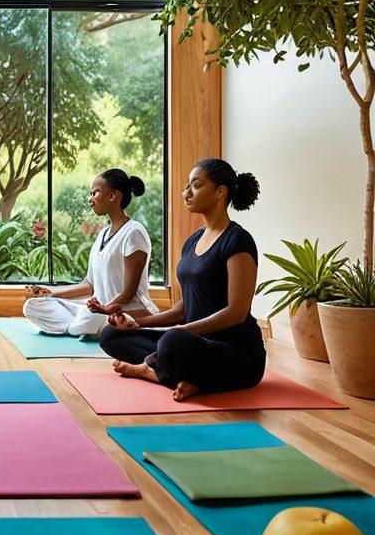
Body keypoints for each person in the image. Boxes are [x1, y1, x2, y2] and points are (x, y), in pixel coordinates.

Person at [99, 158, 264, 401]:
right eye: (187, 185)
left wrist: (179, 330)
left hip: (235, 353)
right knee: (111, 335)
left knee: (173, 343)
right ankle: (184, 376)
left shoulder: (238, 240)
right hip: (192, 342)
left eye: (196, 186)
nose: (185, 192)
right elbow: (184, 307)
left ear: (220, 192)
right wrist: (139, 323)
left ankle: (156, 372)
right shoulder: (192, 242)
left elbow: (236, 313)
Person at [22, 168, 158, 337]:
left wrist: (103, 309)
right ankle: (86, 325)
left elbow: (128, 294)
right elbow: (89, 285)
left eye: (95, 193)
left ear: (113, 196)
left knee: (82, 322)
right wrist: (50, 292)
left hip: (126, 311)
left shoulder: (134, 232)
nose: (90, 199)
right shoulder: (103, 234)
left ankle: (83, 326)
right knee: (33, 305)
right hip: (98, 309)